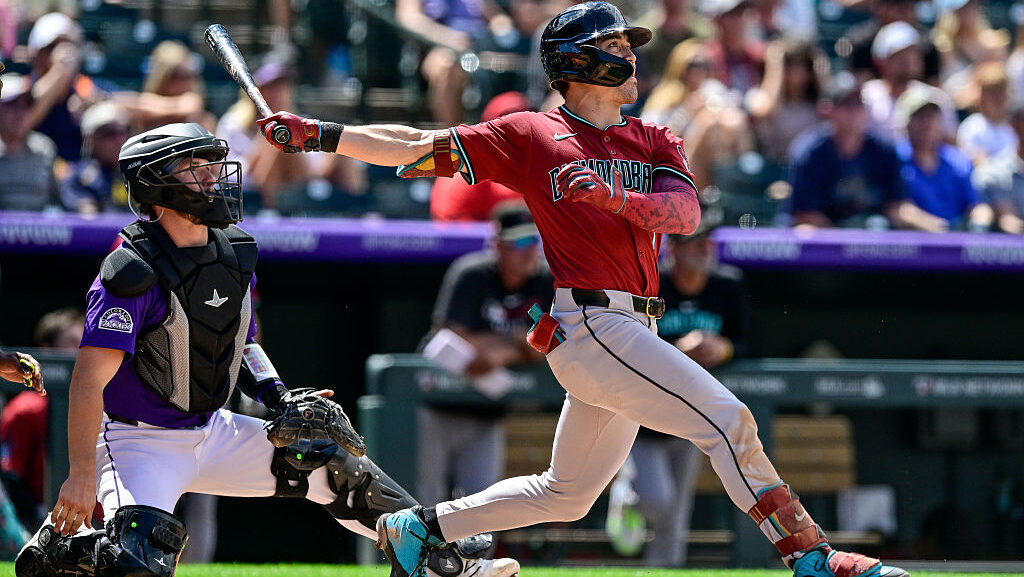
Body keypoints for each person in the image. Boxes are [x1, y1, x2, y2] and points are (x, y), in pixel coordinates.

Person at [254, 3, 910, 577]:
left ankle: (418, 525)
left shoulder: (652, 136)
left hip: (635, 326)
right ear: (576, 60)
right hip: (593, 321)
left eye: (629, 46)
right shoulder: (534, 134)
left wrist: (614, 195)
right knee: (728, 419)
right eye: (616, 45)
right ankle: (811, 556)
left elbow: (684, 217)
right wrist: (321, 135)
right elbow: (418, 146)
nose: (630, 55)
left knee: (567, 493)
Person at [14, 122, 520, 577]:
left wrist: (280, 399)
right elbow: (87, 380)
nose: (212, 175)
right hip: (137, 441)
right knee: (138, 562)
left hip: (214, 428)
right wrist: (80, 475)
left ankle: (438, 564)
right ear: (157, 186)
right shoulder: (130, 272)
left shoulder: (234, 253)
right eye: (193, 165)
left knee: (333, 464)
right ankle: (64, 553)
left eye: (211, 162)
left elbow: (244, 342)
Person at [628, 210, 752, 567]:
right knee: (656, 499)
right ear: (673, 250)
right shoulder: (652, 282)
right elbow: (629, 340)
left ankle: (662, 570)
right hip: (643, 415)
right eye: (693, 242)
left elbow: (748, 341)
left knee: (677, 509)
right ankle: (626, 494)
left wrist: (724, 348)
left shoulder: (727, 284)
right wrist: (676, 352)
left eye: (707, 242)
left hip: (691, 412)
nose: (702, 249)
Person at [419, 203, 553, 506]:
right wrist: (516, 342)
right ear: (498, 244)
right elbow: (451, 336)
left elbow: (552, 345)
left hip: (488, 410)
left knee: (482, 505)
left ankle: (477, 557)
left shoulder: (544, 281)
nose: (528, 251)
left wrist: (504, 353)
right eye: (519, 242)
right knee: (426, 500)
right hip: (439, 403)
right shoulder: (472, 273)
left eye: (533, 241)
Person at [788, 72, 944, 230]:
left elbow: (896, 207)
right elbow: (806, 215)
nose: (854, 112)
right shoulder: (810, 153)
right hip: (826, 240)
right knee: (804, 231)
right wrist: (848, 240)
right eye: (846, 104)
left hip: (875, 241)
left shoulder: (883, 151)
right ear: (827, 109)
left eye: (859, 103)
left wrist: (936, 227)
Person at [1, 309, 83, 529]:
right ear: (47, 350)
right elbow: (10, 477)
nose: (81, 351)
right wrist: (40, 519)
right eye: (73, 342)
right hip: (40, 524)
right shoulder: (25, 409)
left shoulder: (101, 405)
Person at [895, 85, 993, 232]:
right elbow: (896, 208)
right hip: (913, 243)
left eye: (932, 116)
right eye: (920, 117)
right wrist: (931, 226)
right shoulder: (894, 160)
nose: (927, 124)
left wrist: (979, 225)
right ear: (906, 123)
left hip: (958, 241)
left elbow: (977, 205)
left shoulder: (959, 161)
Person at [430, 92, 531, 221]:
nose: (516, 132)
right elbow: (452, 233)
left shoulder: (545, 167)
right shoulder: (462, 173)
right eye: (505, 125)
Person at [0, 72, 59, 211]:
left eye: (27, 104)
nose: (21, 112)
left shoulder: (45, 149)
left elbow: (57, 200)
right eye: (12, 104)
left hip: (41, 231)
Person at [60, 102, 131, 214]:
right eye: (109, 132)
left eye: (122, 131)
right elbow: (89, 220)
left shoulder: (137, 173)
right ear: (89, 138)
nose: (118, 139)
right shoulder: (80, 177)